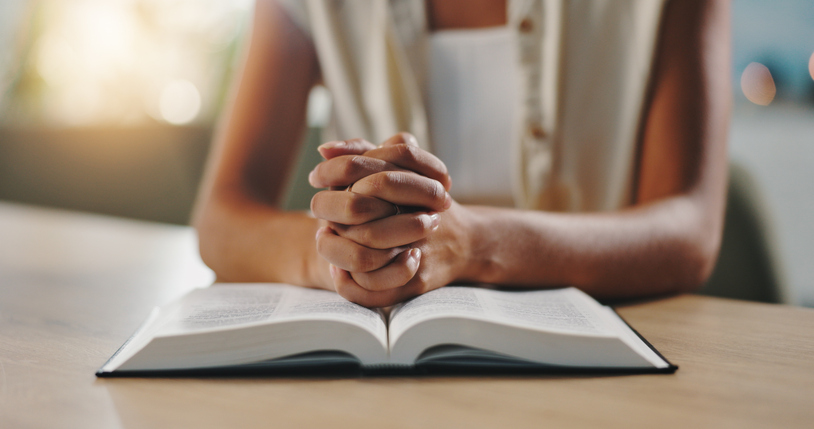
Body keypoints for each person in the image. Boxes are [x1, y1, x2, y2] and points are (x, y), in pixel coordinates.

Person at [193, 0, 731, 308]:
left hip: (599, 356)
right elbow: (221, 218)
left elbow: (689, 232)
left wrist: (474, 244)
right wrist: (341, 253)